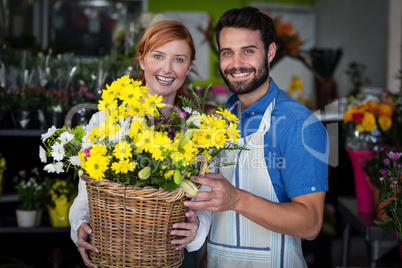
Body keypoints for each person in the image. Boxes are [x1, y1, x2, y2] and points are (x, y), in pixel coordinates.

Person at [185, 7, 329, 268]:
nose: (236, 63)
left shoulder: (298, 124)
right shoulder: (220, 119)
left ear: (270, 52)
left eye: (248, 51)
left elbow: (311, 224)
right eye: (227, 52)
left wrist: (237, 199)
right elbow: (218, 221)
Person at [69, 20, 207, 268]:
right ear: (141, 60)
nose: (167, 69)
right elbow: (85, 195)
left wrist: (198, 226)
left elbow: (206, 201)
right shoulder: (106, 120)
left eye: (179, 59)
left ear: (188, 68)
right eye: (158, 56)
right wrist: (79, 224)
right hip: (111, 252)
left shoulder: (198, 129)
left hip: (172, 255)